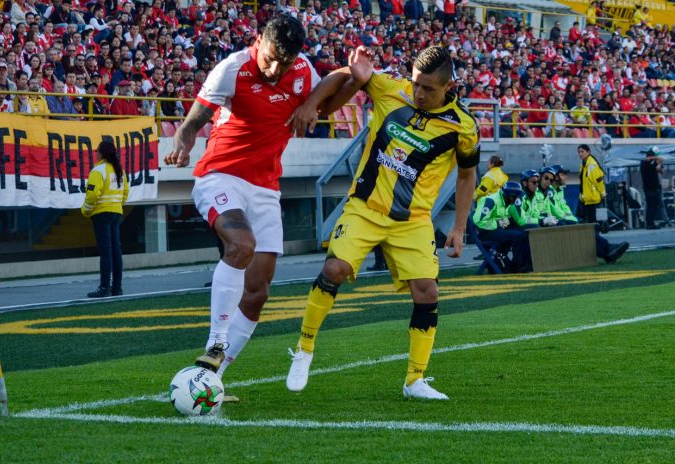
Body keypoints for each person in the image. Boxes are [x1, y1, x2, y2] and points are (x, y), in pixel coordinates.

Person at [163, 16, 355, 391]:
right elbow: (191, 122)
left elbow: (332, 92)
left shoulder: (302, 70)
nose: (274, 70)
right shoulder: (231, 69)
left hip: (266, 188)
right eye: (269, 59)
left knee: (258, 293)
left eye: (284, 63)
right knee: (241, 245)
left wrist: (330, 90)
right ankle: (216, 342)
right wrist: (182, 145)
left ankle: (210, 379)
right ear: (258, 41)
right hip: (220, 175)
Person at [286, 46, 479, 400]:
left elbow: (467, 175)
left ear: (449, 87)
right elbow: (342, 78)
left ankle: (414, 380)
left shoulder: (463, 126)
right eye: (416, 84)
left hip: (413, 221)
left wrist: (459, 226)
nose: (419, 93)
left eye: (428, 89)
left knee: (428, 291)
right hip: (365, 207)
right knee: (335, 269)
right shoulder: (391, 87)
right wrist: (321, 98)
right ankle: (305, 349)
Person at [81, 141, 129, 298]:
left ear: (101, 153)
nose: (96, 153)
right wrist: (117, 205)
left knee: (105, 252)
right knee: (116, 251)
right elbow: (125, 192)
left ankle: (104, 288)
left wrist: (86, 210)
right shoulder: (119, 170)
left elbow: (92, 194)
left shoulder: (98, 170)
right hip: (116, 212)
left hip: (101, 214)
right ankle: (117, 288)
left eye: (97, 151)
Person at [475, 181, 532, 273]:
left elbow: (501, 217)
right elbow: (479, 221)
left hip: (495, 230)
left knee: (524, 232)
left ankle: (523, 264)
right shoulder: (491, 201)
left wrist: (505, 221)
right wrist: (498, 223)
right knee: (519, 235)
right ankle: (520, 266)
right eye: (514, 197)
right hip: (485, 233)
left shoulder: (504, 202)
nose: (515, 199)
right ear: (508, 195)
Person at [577, 144, 605, 224]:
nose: (580, 154)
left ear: (588, 152)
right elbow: (583, 183)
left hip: (593, 199)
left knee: (593, 222)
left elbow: (598, 181)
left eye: (582, 151)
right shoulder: (583, 165)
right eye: (579, 152)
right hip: (586, 198)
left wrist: (602, 193)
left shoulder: (591, 165)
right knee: (588, 222)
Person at [640, 146, 666, 229]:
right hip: (649, 187)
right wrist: (657, 158)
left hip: (655, 187)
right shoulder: (644, 162)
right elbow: (648, 159)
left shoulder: (654, 163)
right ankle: (650, 223)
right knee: (651, 206)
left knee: (653, 206)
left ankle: (650, 222)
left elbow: (661, 171)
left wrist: (659, 164)